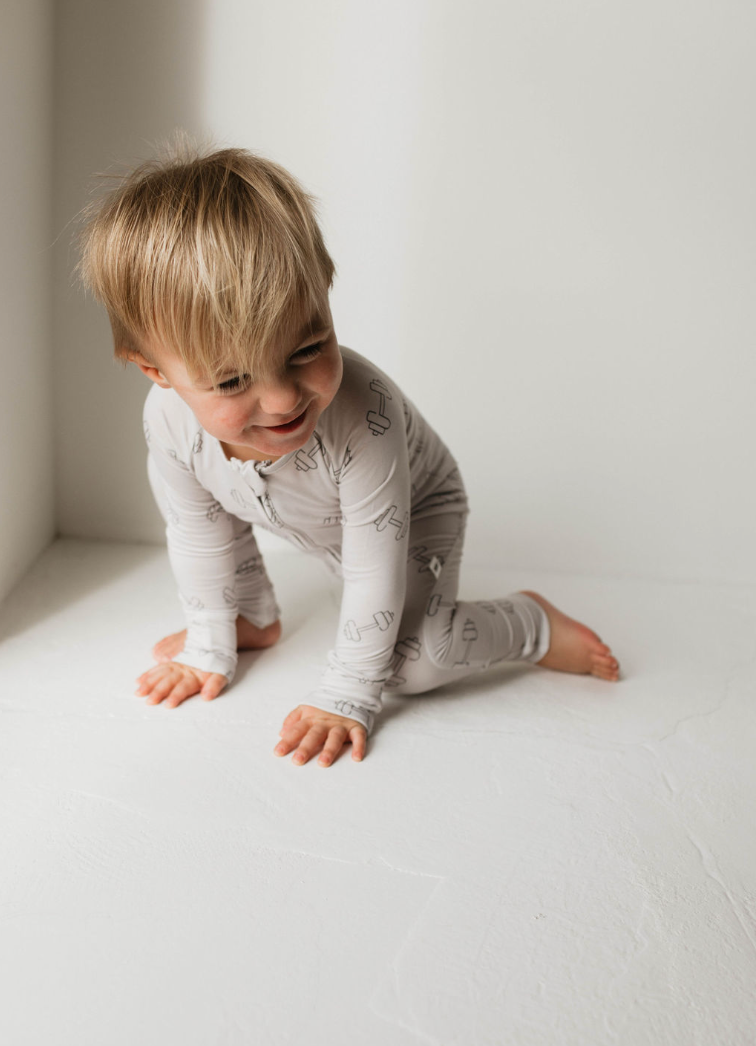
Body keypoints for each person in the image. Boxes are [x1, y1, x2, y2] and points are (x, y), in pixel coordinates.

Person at [77, 140, 620, 768]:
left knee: (409, 664)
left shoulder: (364, 414)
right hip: (299, 512)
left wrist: (347, 692)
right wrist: (206, 643)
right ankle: (250, 618)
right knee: (210, 507)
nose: (283, 400)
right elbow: (197, 532)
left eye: (307, 349)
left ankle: (531, 625)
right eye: (232, 381)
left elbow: (372, 568)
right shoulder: (168, 422)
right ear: (156, 372)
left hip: (413, 511)